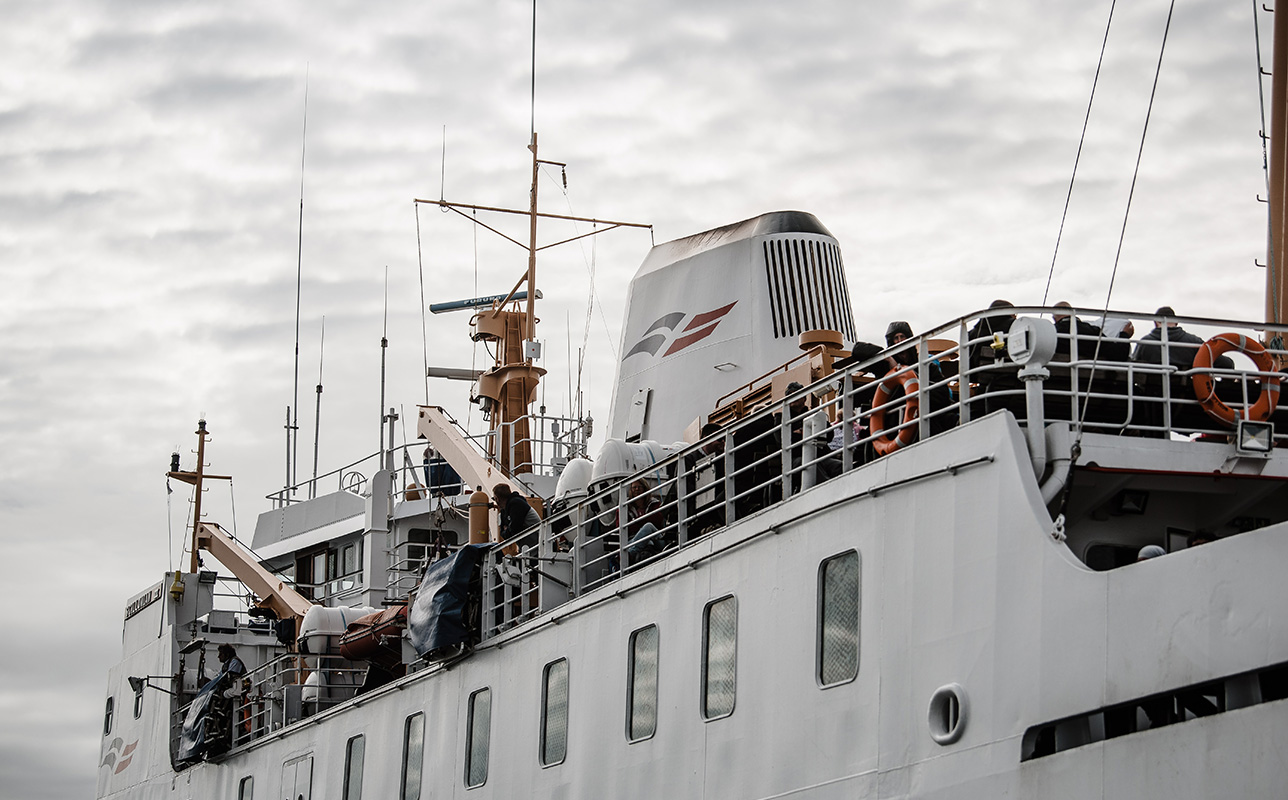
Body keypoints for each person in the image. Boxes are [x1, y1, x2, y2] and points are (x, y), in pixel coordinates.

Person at [492, 483, 541, 550]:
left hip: (536, 546)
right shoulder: (504, 510)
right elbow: (504, 534)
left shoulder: (517, 504)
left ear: (497, 499)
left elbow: (515, 528)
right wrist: (509, 530)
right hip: (528, 547)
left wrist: (508, 529)